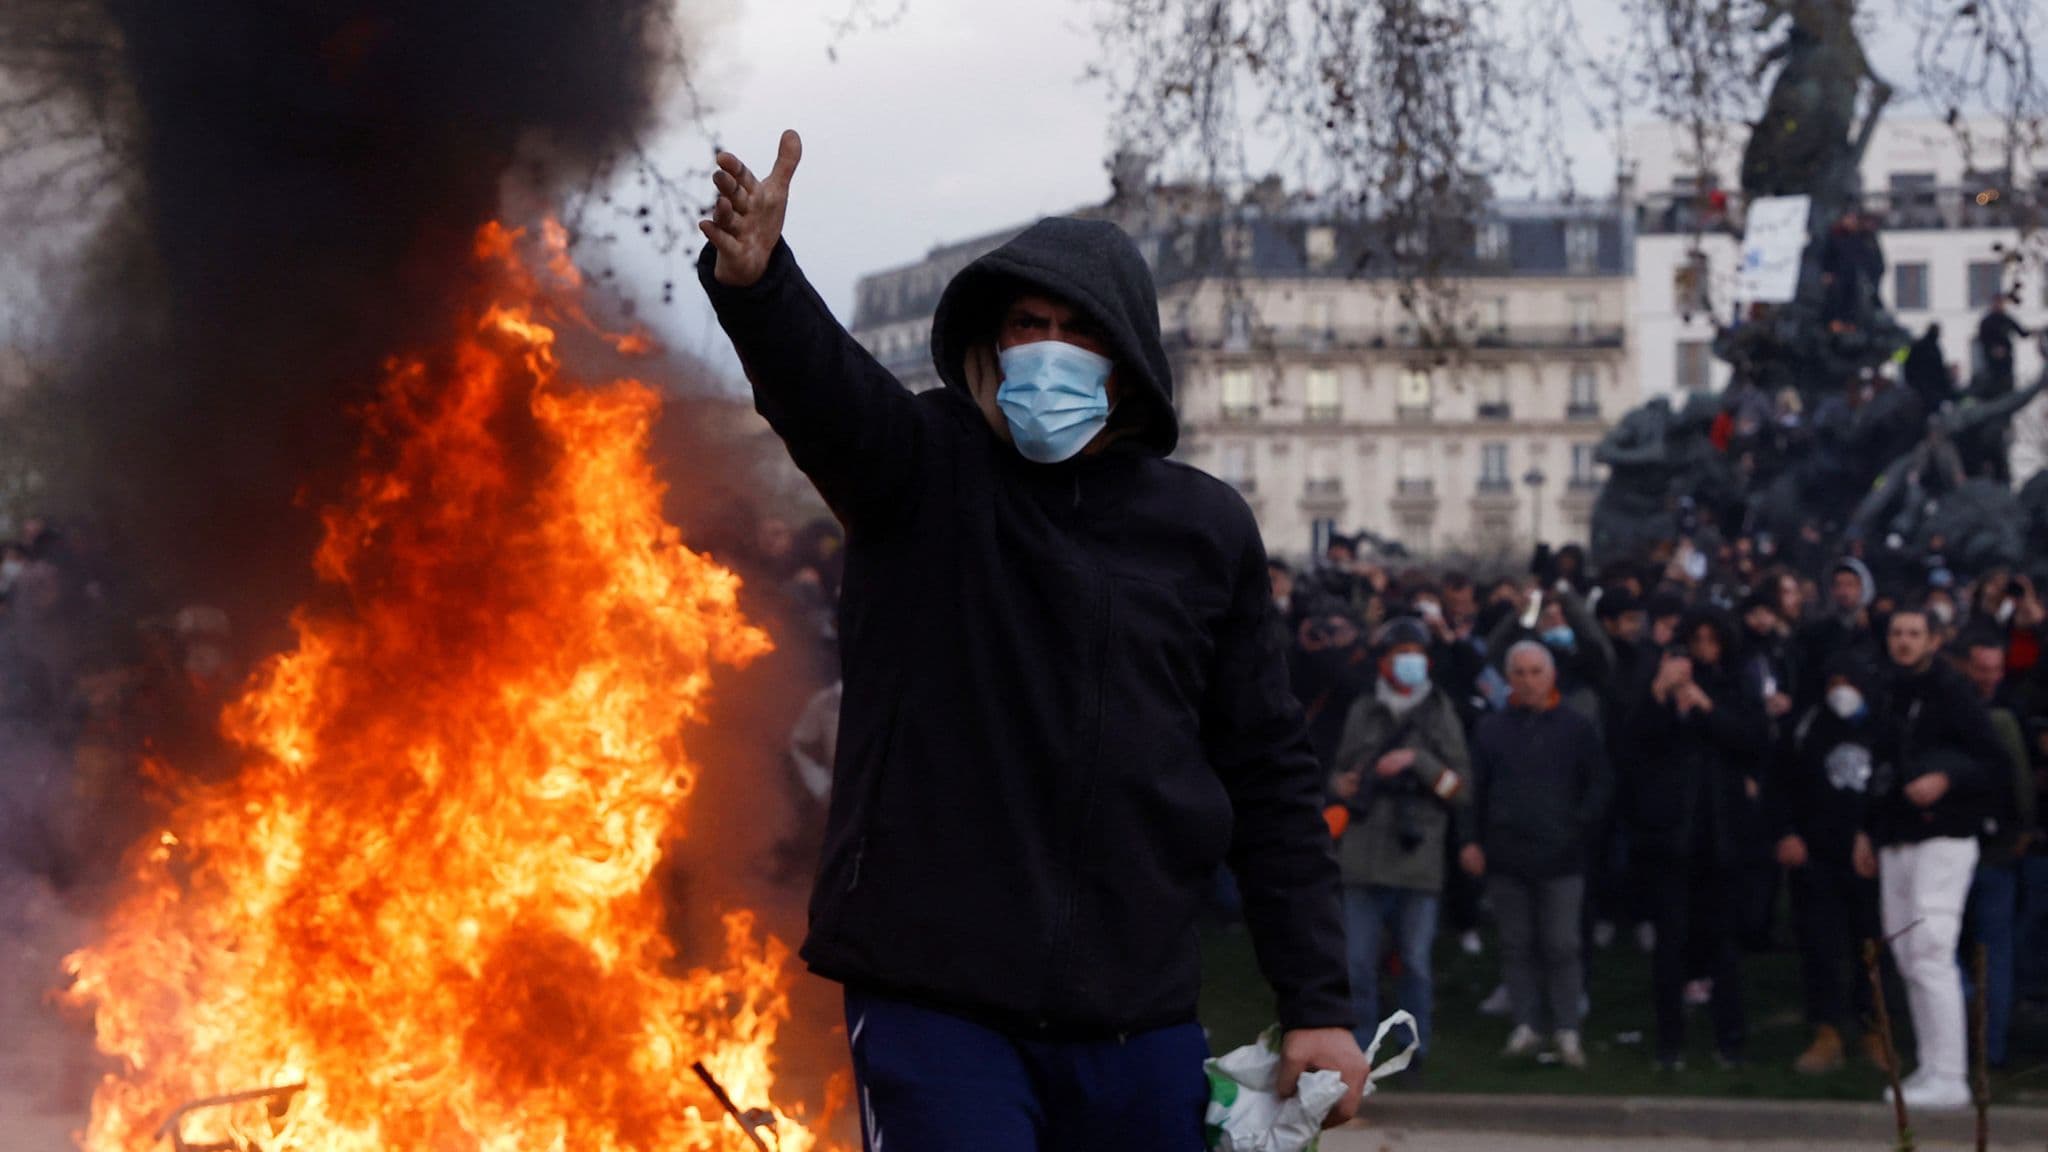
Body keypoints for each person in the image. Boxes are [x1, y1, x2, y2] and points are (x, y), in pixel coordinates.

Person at [696, 131, 1367, 1148]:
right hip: (936, 999)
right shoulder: (920, 472)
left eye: (1078, 329)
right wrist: (760, 288)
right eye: (1027, 324)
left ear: (1125, 361)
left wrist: (1316, 1001)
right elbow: (829, 395)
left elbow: (1269, 776)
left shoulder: (1203, 528)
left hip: (1137, 1012)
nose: (1049, 348)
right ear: (991, 343)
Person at [1853, 604, 2003, 1112]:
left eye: (1914, 633)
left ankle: (1951, 1075)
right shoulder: (1888, 691)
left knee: (1932, 949)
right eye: (1898, 632)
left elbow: (1993, 762)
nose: (1904, 641)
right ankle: (1932, 1066)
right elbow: (1880, 767)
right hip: (1897, 837)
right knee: (1907, 954)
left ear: (1933, 640)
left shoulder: (1953, 692)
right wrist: (1867, 831)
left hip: (1944, 835)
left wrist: (1946, 777)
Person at [1627, 608, 1772, 1070]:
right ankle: (1669, 1042)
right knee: (1670, 943)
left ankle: (1731, 1040)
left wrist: (1707, 708)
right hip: (1672, 835)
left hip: (1722, 832)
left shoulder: (1736, 685)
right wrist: (1659, 693)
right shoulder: (1659, 683)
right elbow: (1636, 743)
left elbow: (1753, 739)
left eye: (1713, 640)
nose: (1705, 649)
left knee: (1723, 943)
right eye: (1698, 640)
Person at [1460, 641, 1611, 1069]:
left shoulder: (1576, 727)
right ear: (1509, 678)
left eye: (1535, 672)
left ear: (1551, 675)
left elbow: (1600, 784)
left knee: (1562, 944)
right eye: (1520, 673)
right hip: (1506, 855)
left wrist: (1576, 827)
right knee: (1516, 944)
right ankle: (1526, 1024)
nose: (1528, 681)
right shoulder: (1491, 729)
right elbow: (1474, 790)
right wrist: (1471, 840)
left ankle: (1567, 1027)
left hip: (1562, 857)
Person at [1329, 616, 1471, 1067]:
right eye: (1400, 654)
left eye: (1417, 654)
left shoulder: (1440, 711)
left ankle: (1413, 1049)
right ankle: (1358, 1052)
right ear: (1384, 662)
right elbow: (1339, 772)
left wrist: (1418, 762)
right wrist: (1342, 784)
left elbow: (1460, 789)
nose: (1410, 661)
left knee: (1414, 962)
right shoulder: (1364, 708)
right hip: (1363, 856)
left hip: (1417, 858)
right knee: (1357, 963)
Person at [1774, 652, 1892, 1074]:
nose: (1841, 691)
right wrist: (1786, 832)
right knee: (1819, 945)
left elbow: (1892, 784)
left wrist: (1874, 835)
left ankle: (1873, 1028)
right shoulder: (1805, 725)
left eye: (1850, 682)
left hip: (1869, 858)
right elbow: (1780, 782)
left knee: (1872, 945)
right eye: (1834, 683)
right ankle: (1826, 1030)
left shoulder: (1883, 726)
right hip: (1816, 854)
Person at [1954, 629, 2036, 1070]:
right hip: (1961, 850)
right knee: (1974, 948)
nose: (1988, 677)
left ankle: (1989, 1044)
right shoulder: (1974, 715)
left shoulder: (2002, 717)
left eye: (1995, 670)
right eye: (1981, 669)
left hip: (1992, 854)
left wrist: (2021, 830)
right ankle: (1983, 1040)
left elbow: (2020, 783)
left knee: (1989, 950)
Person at [1976, 294, 2032, 398]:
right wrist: (1994, 349)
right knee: (1994, 381)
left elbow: (2022, 333)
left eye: (2001, 303)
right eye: (1997, 303)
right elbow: (1982, 339)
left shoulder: (2007, 319)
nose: (1999, 305)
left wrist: (2035, 332)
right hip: (1992, 360)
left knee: (2007, 381)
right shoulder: (1986, 321)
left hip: (2006, 359)